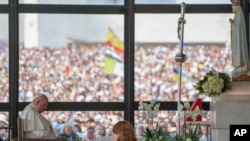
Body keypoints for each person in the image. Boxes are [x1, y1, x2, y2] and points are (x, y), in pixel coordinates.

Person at [229, 0, 250, 80]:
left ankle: (242, 65)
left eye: (233, 9)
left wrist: (233, 24)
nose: (232, 10)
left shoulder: (240, 17)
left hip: (239, 41)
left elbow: (238, 29)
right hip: (237, 40)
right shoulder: (237, 17)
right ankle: (241, 67)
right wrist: (233, 23)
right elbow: (236, 27)